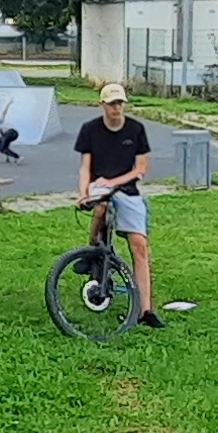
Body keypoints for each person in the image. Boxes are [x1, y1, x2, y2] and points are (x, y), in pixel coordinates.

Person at [73, 82, 159, 328]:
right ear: (102, 104)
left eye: (119, 102)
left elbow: (141, 169)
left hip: (126, 189)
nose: (116, 107)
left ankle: (145, 310)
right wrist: (82, 192)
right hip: (99, 185)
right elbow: (85, 167)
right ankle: (91, 250)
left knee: (139, 245)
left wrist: (114, 182)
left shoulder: (135, 129)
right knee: (100, 208)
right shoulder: (90, 130)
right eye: (111, 103)